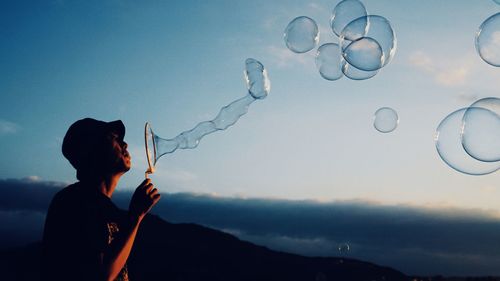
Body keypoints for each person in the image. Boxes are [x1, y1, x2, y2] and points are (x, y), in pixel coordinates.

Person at [41, 118, 161, 281]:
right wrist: (136, 216)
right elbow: (100, 275)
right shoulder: (72, 202)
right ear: (93, 150)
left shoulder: (106, 210)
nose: (124, 144)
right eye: (114, 138)